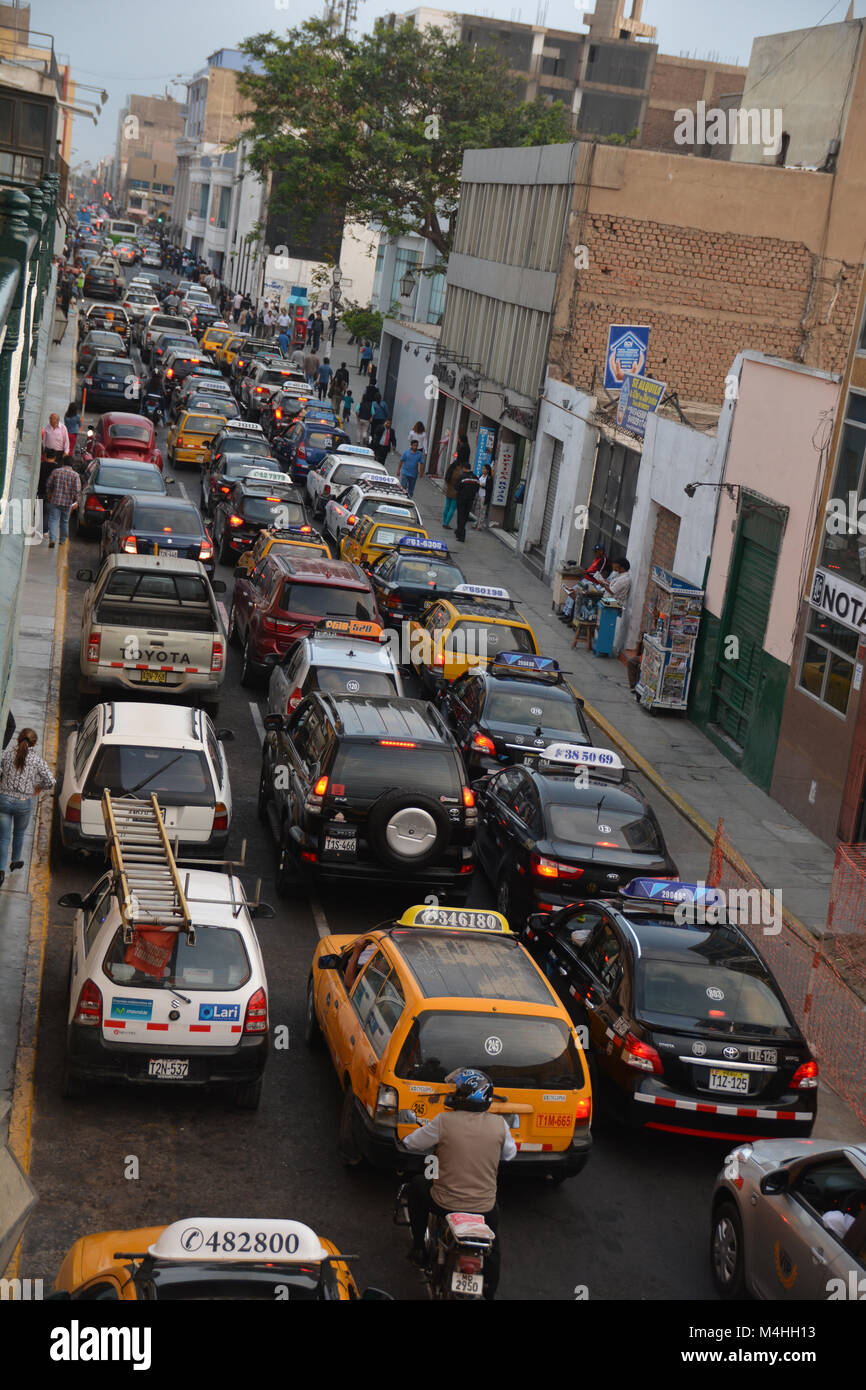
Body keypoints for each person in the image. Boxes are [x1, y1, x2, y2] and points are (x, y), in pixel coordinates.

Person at [402, 1067, 515, 1300]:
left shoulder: (443, 1121)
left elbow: (413, 1143)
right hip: (484, 1207)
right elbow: (510, 1154)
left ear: (464, 1095)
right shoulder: (500, 1125)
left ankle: (419, 1249)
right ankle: (489, 1292)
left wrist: (407, 1137)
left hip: (444, 1203)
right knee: (494, 1246)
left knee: (417, 1186)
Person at [0, 728, 55, 887]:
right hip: (23, 802)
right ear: (34, 743)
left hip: (3, 799)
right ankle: (15, 861)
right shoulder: (37, 760)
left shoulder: (8, 753)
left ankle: (0, 871)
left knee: (3, 838)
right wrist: (38, 787)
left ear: (18, 740)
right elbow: (50, 781)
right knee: (19, 833)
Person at [594, 558, 632, 654]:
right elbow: (613, 586)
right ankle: (598, 645)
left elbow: (613, 591)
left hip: (612, 606)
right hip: (607, 603)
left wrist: (603, 585)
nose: (613, 566)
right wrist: (606, 583)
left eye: (615, 564)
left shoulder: (624, 579)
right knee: (600, 626)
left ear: (621, 567)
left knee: (605, 629)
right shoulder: (620, 576)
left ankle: (602, 648)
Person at [44, 457, 81, 547]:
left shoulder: (56, 471)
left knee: (53, 520)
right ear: (73, 464)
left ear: (63, 462)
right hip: (67, 502)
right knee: (64, 521)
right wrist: (76, 501)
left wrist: (49, 494)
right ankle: (62, 540)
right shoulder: (75, 475)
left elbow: (48, 484)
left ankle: (52, 539)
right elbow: (77, 490)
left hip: (55, 500)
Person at [454, 463, 480, 543]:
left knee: (460, 516)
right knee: (465, 516)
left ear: (464, 468)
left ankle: (461, 534)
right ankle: (459, 531)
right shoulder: (476, 478)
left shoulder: (462, 477)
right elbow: (477, 489)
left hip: (461, 499)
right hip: (470, 500)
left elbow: (456, 487)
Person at [441, 454, 462, 529]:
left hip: (449, 490)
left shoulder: (450, 470)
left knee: (447, 506)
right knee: (452, 508)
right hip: (455, 493)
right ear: (458, 466)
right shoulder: (458, 473)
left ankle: (444, 521)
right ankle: (446, 523)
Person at [473, 462, 493, 529]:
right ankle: (476, 522)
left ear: (488, 470)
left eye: (484, 469)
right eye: (482, 468)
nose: (483, 470)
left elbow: (489, 488)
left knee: (482, 510)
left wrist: (482, 485)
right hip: (479, 494)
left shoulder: (489, 478)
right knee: (477, 509)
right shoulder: (481, 476)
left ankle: (480, 525)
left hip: (484, 496)